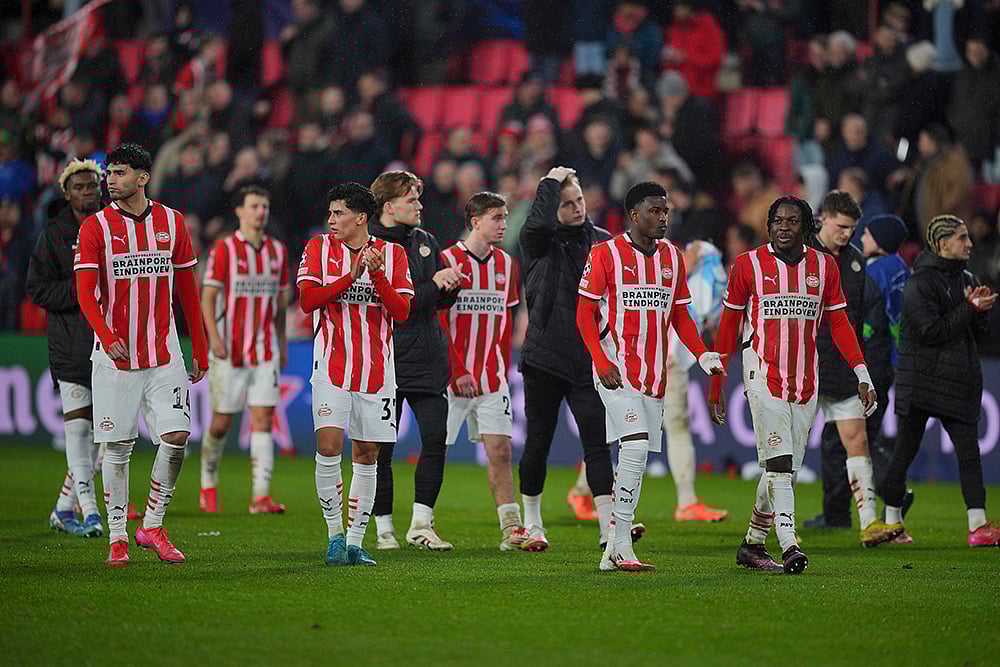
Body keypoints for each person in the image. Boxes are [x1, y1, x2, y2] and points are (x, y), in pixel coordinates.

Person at [709, 196, 880, 574]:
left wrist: (861, 372)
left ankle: (752, 544)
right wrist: (716, 383)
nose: (784, 227)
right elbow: (727, 327)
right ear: (768, 226)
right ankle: (788, 544)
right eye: (778, 221)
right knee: (782, 464)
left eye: (792, 221)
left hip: (805, 378)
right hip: (761, 374)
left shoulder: (825, 266)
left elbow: (840, 325)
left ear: (807, 227)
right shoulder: (748, 265)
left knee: (780, 470)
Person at [73, 143, 209, 567]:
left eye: (119, 173)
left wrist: (199, 347)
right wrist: (106, 333)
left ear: (142, 178)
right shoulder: (95, 226)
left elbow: (188, 289)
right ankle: (117, 538)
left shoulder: (172, 222)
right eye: (108, 173)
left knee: (177, 438)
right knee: (117, 448)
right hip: (116, 356)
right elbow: (85, 292)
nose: (110, 180)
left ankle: (151, 524)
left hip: (164, 351)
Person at [577, 181, 724, 571]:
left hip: (655, 375)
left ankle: (614, 551)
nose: (663, 218)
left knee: (635, 457)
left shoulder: (673, 258)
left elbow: (680, 315)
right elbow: (584, 314)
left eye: (667, 211)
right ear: (634, 215)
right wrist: (600, 360)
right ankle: (620, 544)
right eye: (655, 211)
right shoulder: (604, 253)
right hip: (615, 369)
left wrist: (702, 352)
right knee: (637, 447)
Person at [297, 182, 413, 567]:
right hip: (331, 367)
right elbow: (307, 301)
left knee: (367, 455)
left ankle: (355, 542)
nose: (331, 220)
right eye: (330, 213)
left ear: (360, 218)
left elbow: (401, 312)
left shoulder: (393, 254)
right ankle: (334, 535)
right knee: (329, 446)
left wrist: (376, 276)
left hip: (378, 372)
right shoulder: (318, 248)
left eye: (338, 213)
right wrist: (351, 275)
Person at [881, 215, 1000, 546]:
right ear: (942, 243)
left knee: (968, 453)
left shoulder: (967, 278)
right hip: (920, 381)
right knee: (905, 452)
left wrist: (982, 311)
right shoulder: (919, 283)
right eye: (962, 238)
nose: (970, 243)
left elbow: (979, 333)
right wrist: (969, 309)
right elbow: (931, 332)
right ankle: (892, 523)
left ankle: (978, 526)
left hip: (956, 380)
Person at [518, 166, 616, 552]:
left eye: (579, 200)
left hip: (587, 359)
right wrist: (547, 183)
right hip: (543, 358)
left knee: (597, 445)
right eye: (566, 203)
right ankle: (533, 523)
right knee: (538, 443)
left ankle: (609, 528)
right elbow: (534, 225)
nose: (576, 208)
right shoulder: (540, 241)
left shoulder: (606, 243)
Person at [368, 171, 461, 551]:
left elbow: (434, 302)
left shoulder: (425, 241)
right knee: (381, 450)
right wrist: (435, 285)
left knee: (435, 440)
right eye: (412, 200)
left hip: (428, 357)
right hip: (386, 359)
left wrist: (449, 289)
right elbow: (399, 307)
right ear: (390, 207)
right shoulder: (371, 248)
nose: (420, 206)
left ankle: (421, 523)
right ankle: (384, 529)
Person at [440, 192, 539, 551]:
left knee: (500, 452)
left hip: (492, 377)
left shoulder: (508, 265)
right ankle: (422, 523)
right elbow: (440, 322)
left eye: (505, 217)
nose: (503, 224)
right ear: (475, 221)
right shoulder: (447, 259)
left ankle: (512, 529)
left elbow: (505, 321)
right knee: (437, 451)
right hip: (453, 378)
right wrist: (456, 369)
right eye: (496, 217)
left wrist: (502, 368)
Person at [804, 191, 900, 545]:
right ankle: (767, 525)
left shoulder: (857, 262)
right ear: (824, 219)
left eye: (852, 228)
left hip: (844, 369)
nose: (847, 234)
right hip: (808, 366)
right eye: (841, 226)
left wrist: (863, 367)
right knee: (791, 451)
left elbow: (856, 319)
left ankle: (869, 524)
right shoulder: (802, 256)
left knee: (857, 440)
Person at [198, 185, 290, 514]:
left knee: (263, 419)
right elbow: (207, 298)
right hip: (230, 350)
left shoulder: (277, 251)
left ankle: (260, 496)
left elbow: (279, 303)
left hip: (265, 350)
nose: (260, 212)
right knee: (221, 423)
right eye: (254, 206)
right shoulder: (224, 250)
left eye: (264, 206)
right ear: (239, 211)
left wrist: (281, 339)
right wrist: (215, 337)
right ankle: (208, 481)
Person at [26, 159, 104, 538]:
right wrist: (82, 292)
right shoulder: (54, 235)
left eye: (93, 185)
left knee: (105, 436)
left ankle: (63, 507)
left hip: (109, 345)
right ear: (66, 193)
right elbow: (36, 288)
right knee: (79, 430)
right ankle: (89, 510)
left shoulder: (112, 228)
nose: (88, 192)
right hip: (70, 343)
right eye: (80, 187)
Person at [664, 239, 729, 522]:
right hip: (637, 358)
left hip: (668, 358)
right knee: (622, 428)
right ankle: (593, 495)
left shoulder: (669, 254)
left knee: (677, 423)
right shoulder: (658, 253)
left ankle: (687, 502)